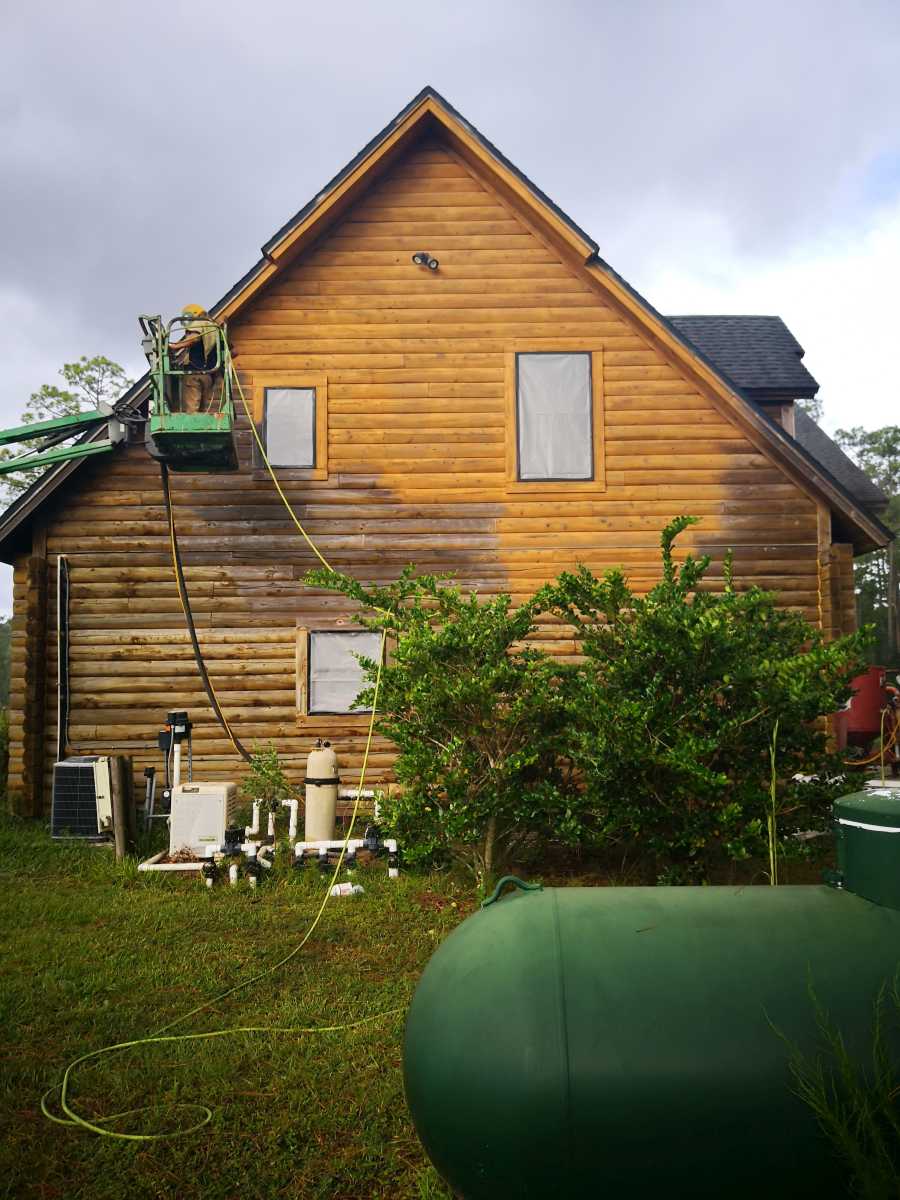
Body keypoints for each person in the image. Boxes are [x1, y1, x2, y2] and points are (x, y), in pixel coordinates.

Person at [169, 304, 222, 413]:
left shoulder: (198, 323)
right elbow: (232, 351)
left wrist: (173, 346)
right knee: (202, 411)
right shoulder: (215, 328)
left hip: (194, 374)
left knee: (191, 411)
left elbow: (193, 338)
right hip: (208, 376)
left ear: (194, 314)